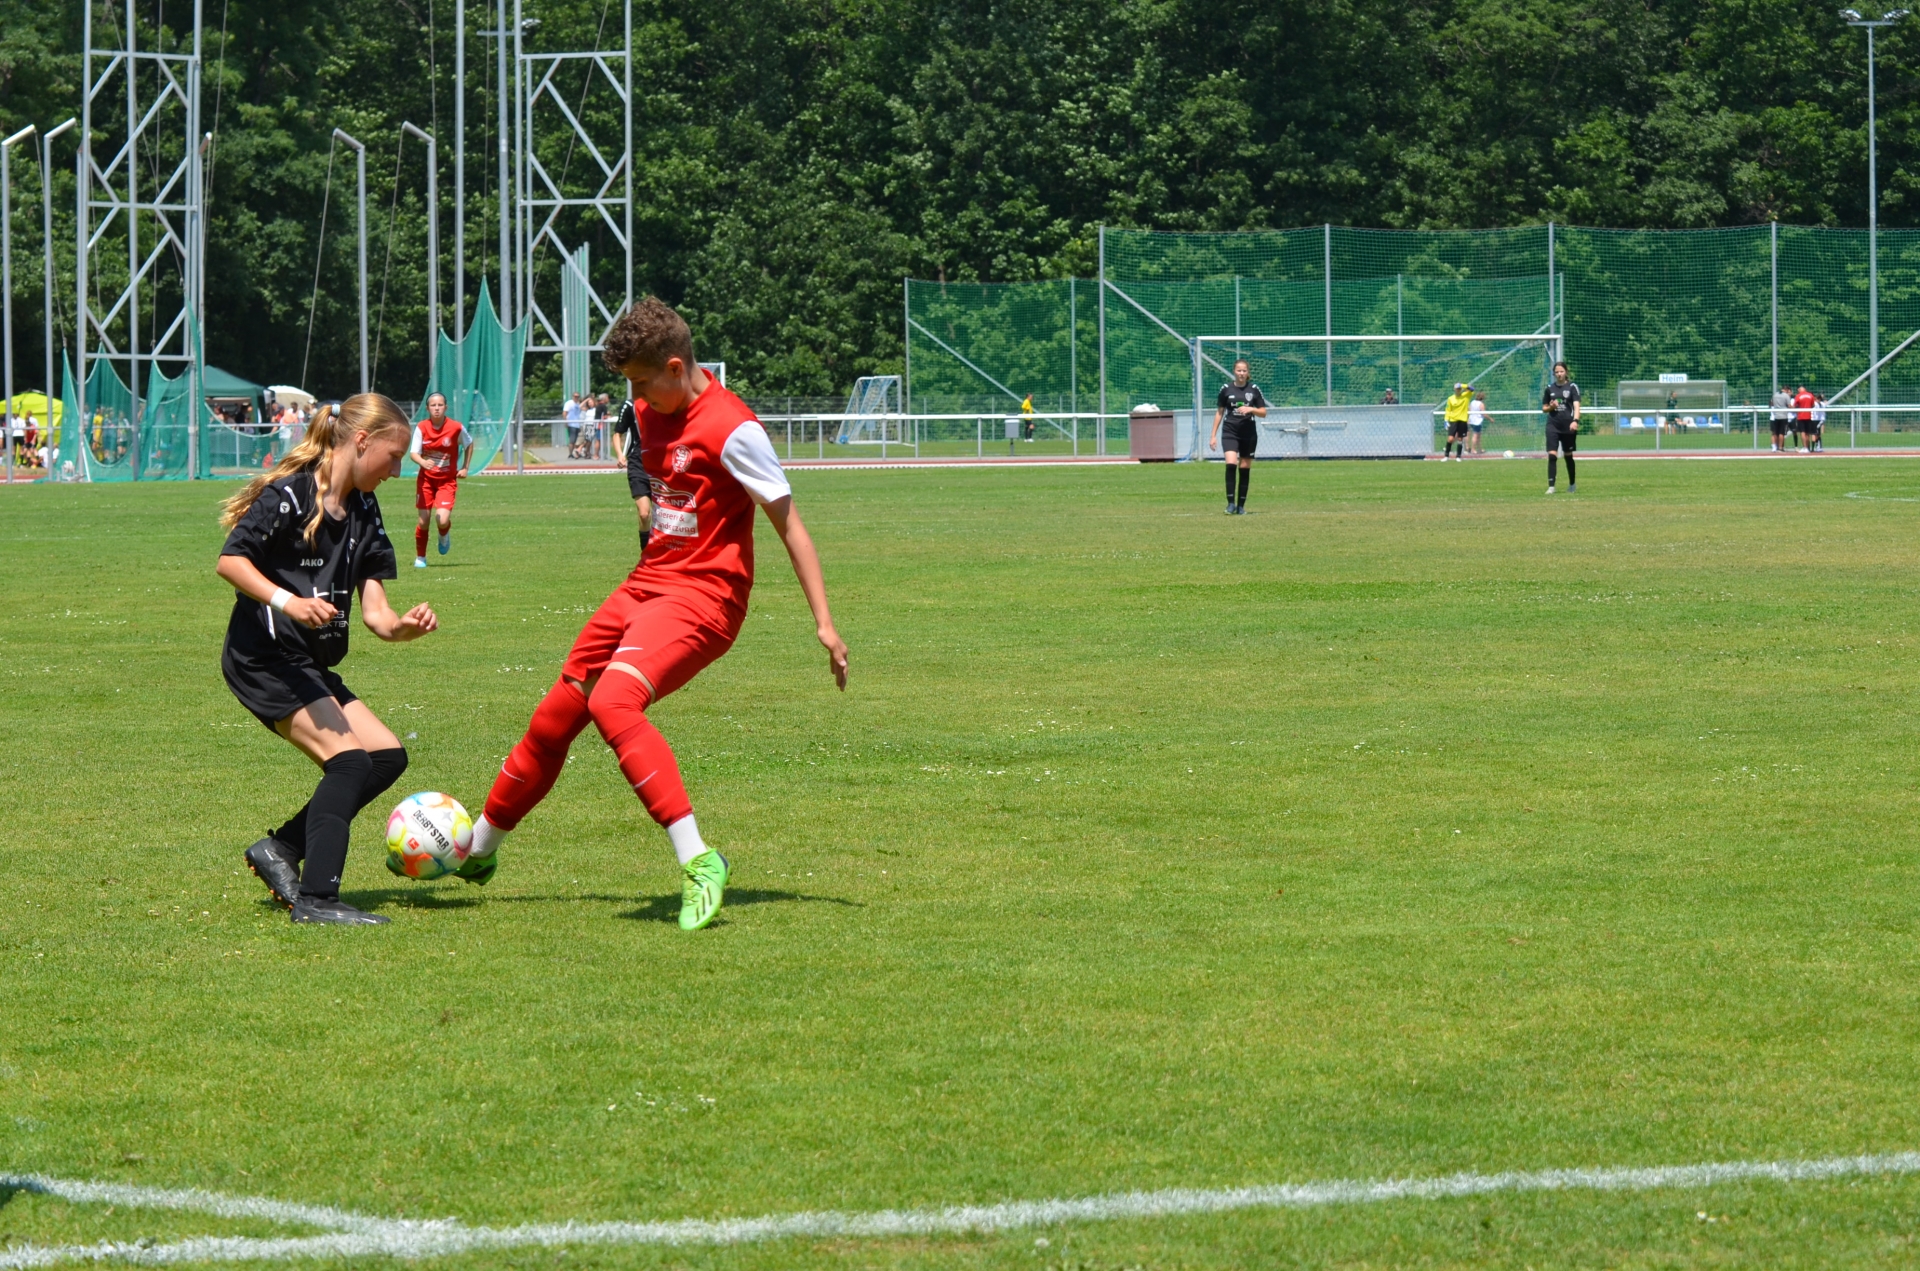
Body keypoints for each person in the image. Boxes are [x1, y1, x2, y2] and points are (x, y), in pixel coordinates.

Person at [461, 297, 849, 931]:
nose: (635, 398)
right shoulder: (647, 408)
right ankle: (477, 850)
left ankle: (699, 861)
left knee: (613, 702)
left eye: (641, 383)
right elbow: (653, 472)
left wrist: (825, 623)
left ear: (675, 367)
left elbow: (791, 527)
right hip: (647, 584)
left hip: (707, 597)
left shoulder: (734, 429)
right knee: (557, 715)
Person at [217, 394, 438, 925]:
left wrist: (402, 628)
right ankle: (317, 900)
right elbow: (231, 561)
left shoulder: (364, 508)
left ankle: (282, 848)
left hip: (306, 662)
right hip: (263, 657)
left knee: (385, 757)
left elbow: (377, 615)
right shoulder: (289, 496)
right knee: (350, 762)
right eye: (394, 456)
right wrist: (288, 602)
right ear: (361, 441)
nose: (397, 471)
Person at [409, 392, 473, 568]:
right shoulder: (422, 427)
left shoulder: (456, 427)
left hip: (446, 481)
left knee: (442, 520)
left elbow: (469, 444)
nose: (436, 408)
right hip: (426, 481)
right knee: (423, 521)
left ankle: (443, 534)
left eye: (440, 405)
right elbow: (413, 453)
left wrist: (465, 467)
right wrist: (423, 462)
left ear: (446, 407)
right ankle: (421, 557)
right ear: (427, 408)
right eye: (433, 405)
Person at [1208, 359, 1267, 514]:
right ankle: (1230, 504)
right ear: (1234, 371)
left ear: (1248, 373)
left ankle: (1241, 506)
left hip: (1248, 434)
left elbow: (1263, 412)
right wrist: (1213, 435)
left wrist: (1251, 409)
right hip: (1230, 432)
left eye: (1244, 371)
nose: (1241, 373)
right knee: (1231, 463)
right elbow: (1219, 412)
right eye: (1239, 370)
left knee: (1245, 467)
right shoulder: (1226, 389)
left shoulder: (1254, 389)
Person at [1541, 362, 1579, 493]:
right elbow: (1544, 408)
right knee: (1552, 455)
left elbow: (1576, 406)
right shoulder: (1549, 388)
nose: (1559, 374)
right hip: (1553, 425)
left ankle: (1572, 484)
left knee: (1568, 456)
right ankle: (1551, 487)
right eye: (1556, 372)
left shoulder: (1572, 387)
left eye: (1561, 371)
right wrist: (1551, 407)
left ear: (1566, 372)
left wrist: (1575, 421)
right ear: (1554, 374)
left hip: (1568, 426)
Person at [1442, 382, 1472, 461]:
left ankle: (1458, 457)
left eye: (1459, 389)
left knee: (1460, 439)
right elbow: (1448, 410)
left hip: (1462, 420)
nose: (1458, 390)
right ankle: (1446, 456)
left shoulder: (1466, 396)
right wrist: (1446, 420)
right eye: (1457, 389)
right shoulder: (1450, 398)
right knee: (1450, 439)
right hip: (1453, 420)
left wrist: (1462, 385)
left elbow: (1472, 389)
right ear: (1454, 389)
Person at [1793, 384, 1815, 453]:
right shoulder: (1810, 395)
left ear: (1799, 389)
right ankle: (1807, 448)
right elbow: (1813, 405)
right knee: (1807, 433)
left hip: (1801, 416)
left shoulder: (1798, 396)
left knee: (1802, 432)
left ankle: (1805, 447)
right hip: (1808, 416)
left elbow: (1795, 405)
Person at [1770, 386, 1791, 452]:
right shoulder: (1786, 396)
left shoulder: (1775, 395)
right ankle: (1780, 447)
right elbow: (1789, 405)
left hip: (1776, 416)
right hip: (1783, 416)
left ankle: (1776, 446)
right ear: (1786, 389)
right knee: (1782, 433)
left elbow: (1772, 403)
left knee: (1776, 432)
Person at [1467, 391, 1488, 455]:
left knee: (1478, 436)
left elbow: (1469, 410)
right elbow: (1484, 414)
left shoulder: (1472, 402)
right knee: (1475, 436)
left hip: (1471, 420)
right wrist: (1490, 419)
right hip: (1477, 422)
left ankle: (1479, 449)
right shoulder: (1481, 404)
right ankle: (1473, 449)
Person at [564, 393, 584, 457]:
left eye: (578, 396)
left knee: (575, 441)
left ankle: (574, 453)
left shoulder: (577, 404)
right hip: (571, 424)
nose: (576, 397)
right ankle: (570, 454)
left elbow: (578, 413)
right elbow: (564, 412)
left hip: (577, 425)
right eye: (575, 396)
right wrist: (566, 422)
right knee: (572, 440)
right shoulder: (569, 403)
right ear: (572, 396)